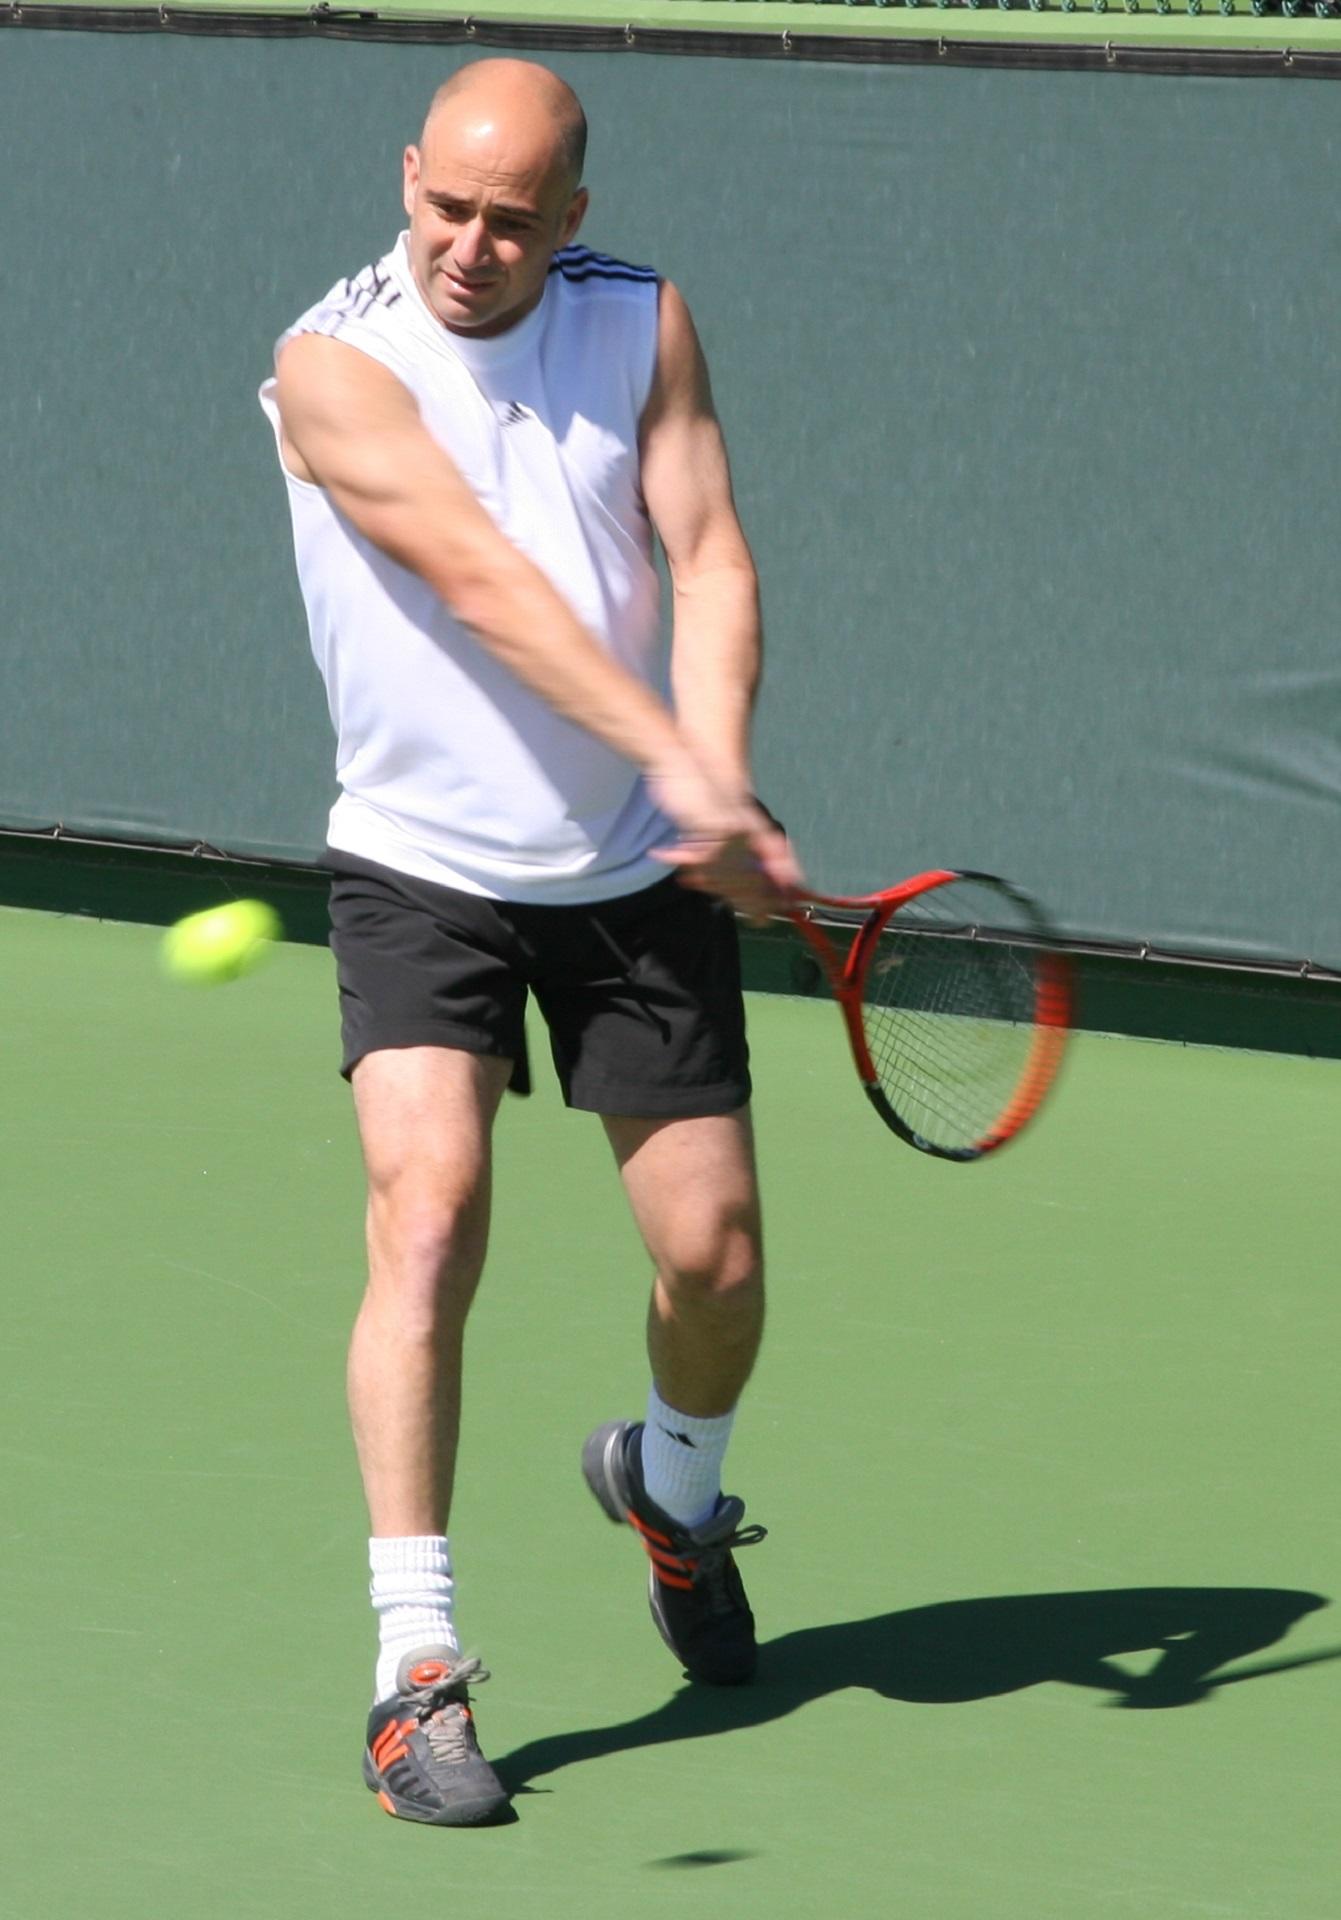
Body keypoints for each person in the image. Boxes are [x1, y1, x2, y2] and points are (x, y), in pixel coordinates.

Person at [259, 58, 797, 1828]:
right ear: (404, 175)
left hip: (631, 876)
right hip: (418, 865)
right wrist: (675, 762)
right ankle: (414, 1670)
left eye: (513, 219)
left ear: (573, 214)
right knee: (428, 1214)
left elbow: (705, 553)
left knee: (712, 1264)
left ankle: (670, 1488)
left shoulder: (638, 323)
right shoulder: (329, 368)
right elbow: (487, 585)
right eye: (445, 206)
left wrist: (707, 766)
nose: (472, 247)